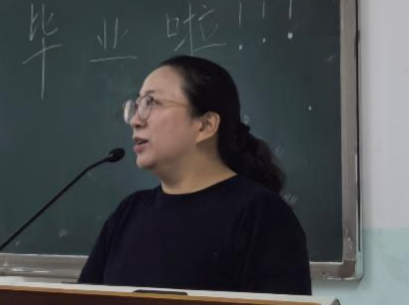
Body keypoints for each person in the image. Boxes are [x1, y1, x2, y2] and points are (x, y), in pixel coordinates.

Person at [79, 56, 312, 296]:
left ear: (205, 125)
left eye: (152, 102)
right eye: (136, 105)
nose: (136, 120)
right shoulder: (129, 212)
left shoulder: (261, 214)